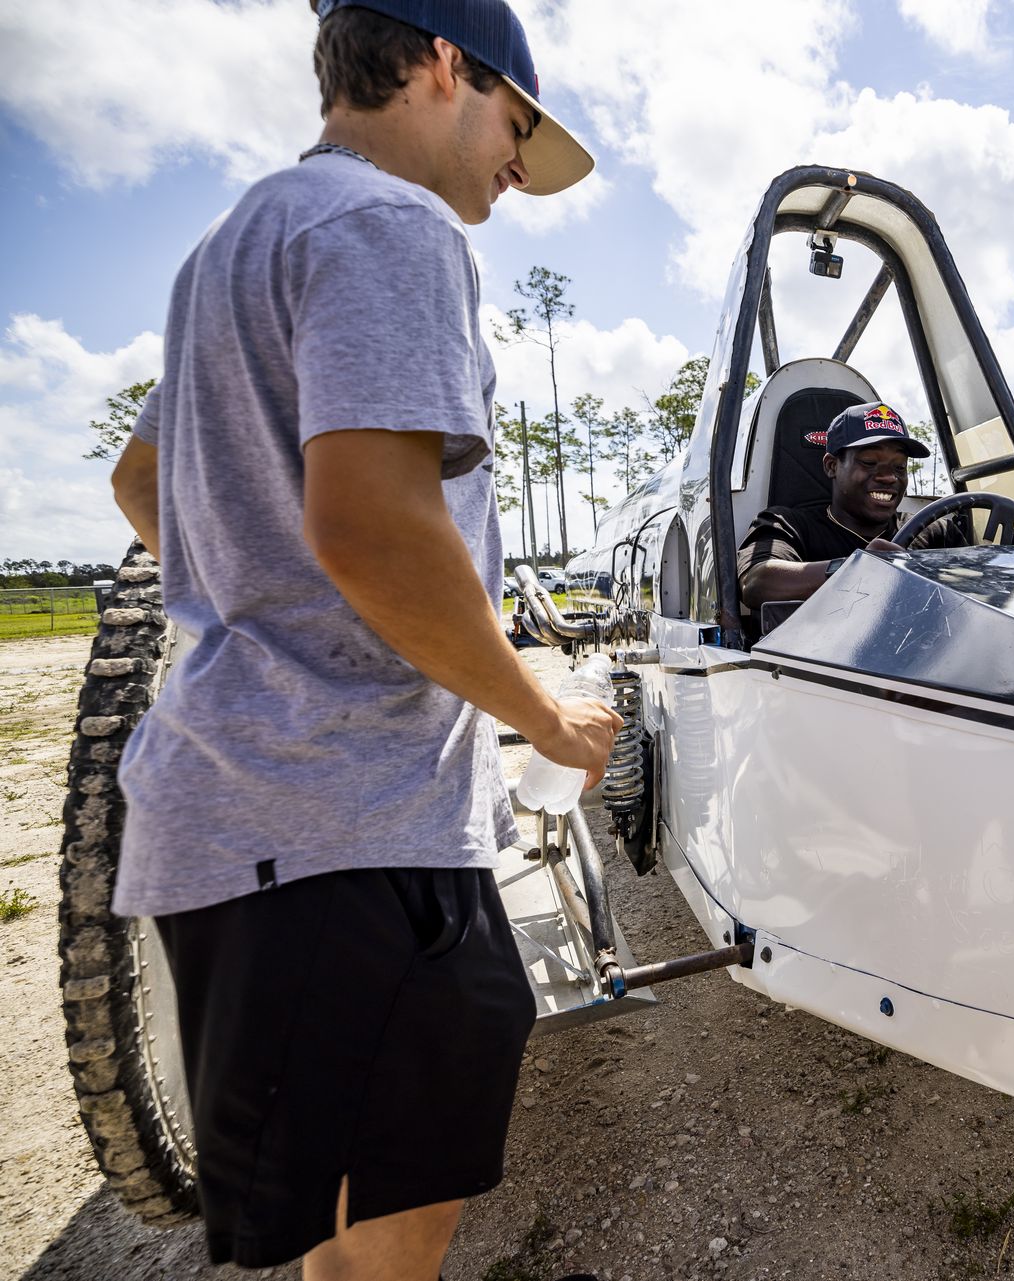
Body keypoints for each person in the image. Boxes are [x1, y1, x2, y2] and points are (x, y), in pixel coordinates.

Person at [106, 2, 621, 1276]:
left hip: (249, 821)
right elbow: (375, 529)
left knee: (347, 1232)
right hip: (346, 828)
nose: (518, 165)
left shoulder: (237, 243)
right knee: (387, 1237)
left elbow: (140, 478)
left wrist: (262, 606)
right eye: (518, 123)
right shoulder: (392, 223)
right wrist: (542, 713)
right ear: (444, 64)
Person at [738, 400, 972, 625]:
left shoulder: (934, 532)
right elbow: (757, 582)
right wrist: (857, 568)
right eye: (869, 462)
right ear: (832, 466)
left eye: (899, 467)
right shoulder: (788, 524)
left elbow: (977, 590)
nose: (889, 477)